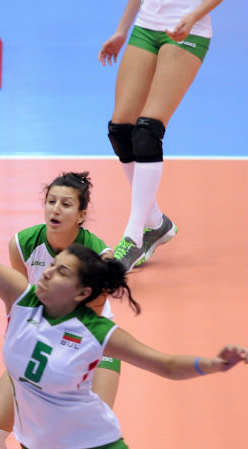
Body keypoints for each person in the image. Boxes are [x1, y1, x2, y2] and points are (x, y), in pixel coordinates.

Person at [0, 159, 246, 449]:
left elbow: (166, 364)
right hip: (43, 438)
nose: (46, 273)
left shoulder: (94, 328)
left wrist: (214, 364)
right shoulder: (22, 290)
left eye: (62, 272)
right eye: (52, 265)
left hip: (95, 445)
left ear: (83, 291)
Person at [0, 172, 122, 449]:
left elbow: (89, 321)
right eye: (51, 201)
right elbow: (21, 302)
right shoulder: (23, 244)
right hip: (40, 347)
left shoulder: (99, 258)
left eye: (66, 204)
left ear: (81, 215)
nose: (55, 209)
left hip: (90, 349)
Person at [99, 0, 223, 272]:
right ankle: (156, 223)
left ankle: (133, 237)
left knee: (147, 132)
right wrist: (122, 30)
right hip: (146, 27)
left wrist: (194, 16)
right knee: (120, 130)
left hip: (187, 30)